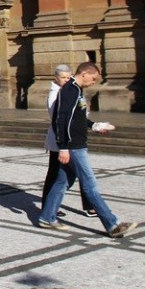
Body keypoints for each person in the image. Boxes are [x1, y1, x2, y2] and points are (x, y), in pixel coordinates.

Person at [38, 62, 138, 238]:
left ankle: (47, 217)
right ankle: (113, 225)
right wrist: (63, 147)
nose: (94, 82)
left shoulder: (76, 90)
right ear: (84, 73)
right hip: (74, 146)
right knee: (90, 185)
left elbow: (78, 118)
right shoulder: (70, 91)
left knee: (62, 183)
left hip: (75, 144)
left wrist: (95, 126)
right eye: (93, 78)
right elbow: (61, 120)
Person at [40, 65, 96, 217]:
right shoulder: (56, 94)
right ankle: (48, 206)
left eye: (68, 77)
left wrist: (91, 123)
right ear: (55, 78)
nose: (66, 80)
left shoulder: (74, 90)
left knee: (75, 174)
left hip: (72, 139)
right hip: (60, 140)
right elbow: (59, 119)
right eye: (63, 77)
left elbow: (81, 111)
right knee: (56, 174)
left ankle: (89, 205)